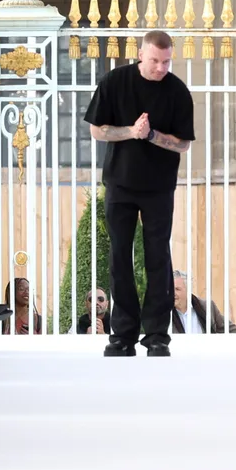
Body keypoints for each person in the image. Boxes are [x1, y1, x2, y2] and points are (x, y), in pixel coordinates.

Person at [84, 30, 195, 358]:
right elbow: (96, 130)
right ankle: (123, 334)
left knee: (157, 257)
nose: (161, 67)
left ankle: (158, 334)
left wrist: (151, 136)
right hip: (120, 183)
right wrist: (131, 132)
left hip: (159, 186)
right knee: (120, 256)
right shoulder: (114, 82)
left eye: (166, 61)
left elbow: (184, 143)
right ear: (140, 55)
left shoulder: (177, 91)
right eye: (155, 61)